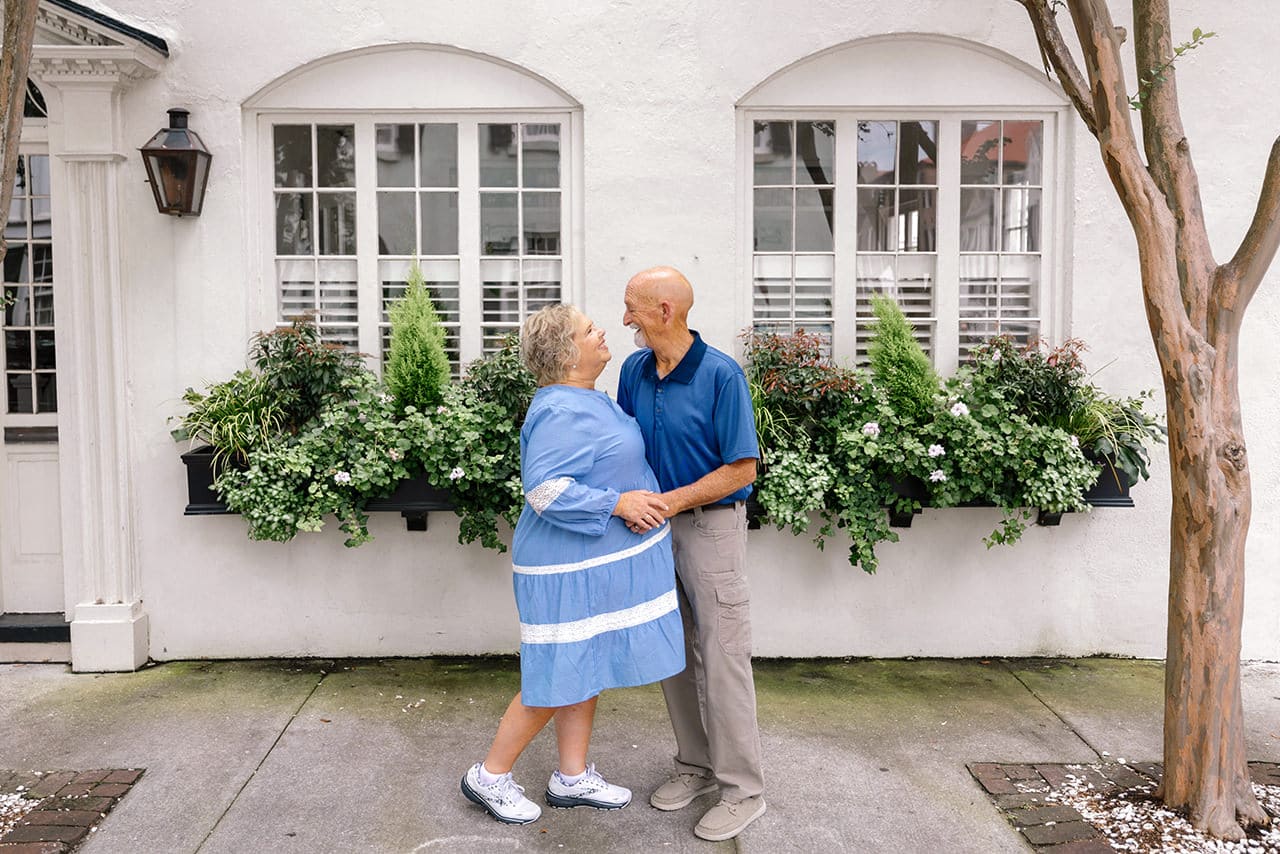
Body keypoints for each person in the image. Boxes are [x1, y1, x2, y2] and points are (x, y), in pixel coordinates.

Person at [460, 303, 685, 825]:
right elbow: (544, 490)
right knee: (557, 673)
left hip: (589, 564)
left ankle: (571, 776)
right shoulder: (559, 410)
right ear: (566, 353)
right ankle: (489, 777)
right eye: (588, 329)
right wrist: (619, 504)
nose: (601, 330)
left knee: (585, 665)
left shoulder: (588, 398)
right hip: (562, 568)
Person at [617, 266, 766, 842]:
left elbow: (742, 468)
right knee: (672, 653)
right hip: (653, 532)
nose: (624, 318)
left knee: (724, 657)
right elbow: (625, 449)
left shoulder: (722, 375)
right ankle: (695, 765)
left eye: (631, 307)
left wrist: (672, 501)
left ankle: (743, 789)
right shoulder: (634, 370)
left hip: (711, 529)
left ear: (664, 311)